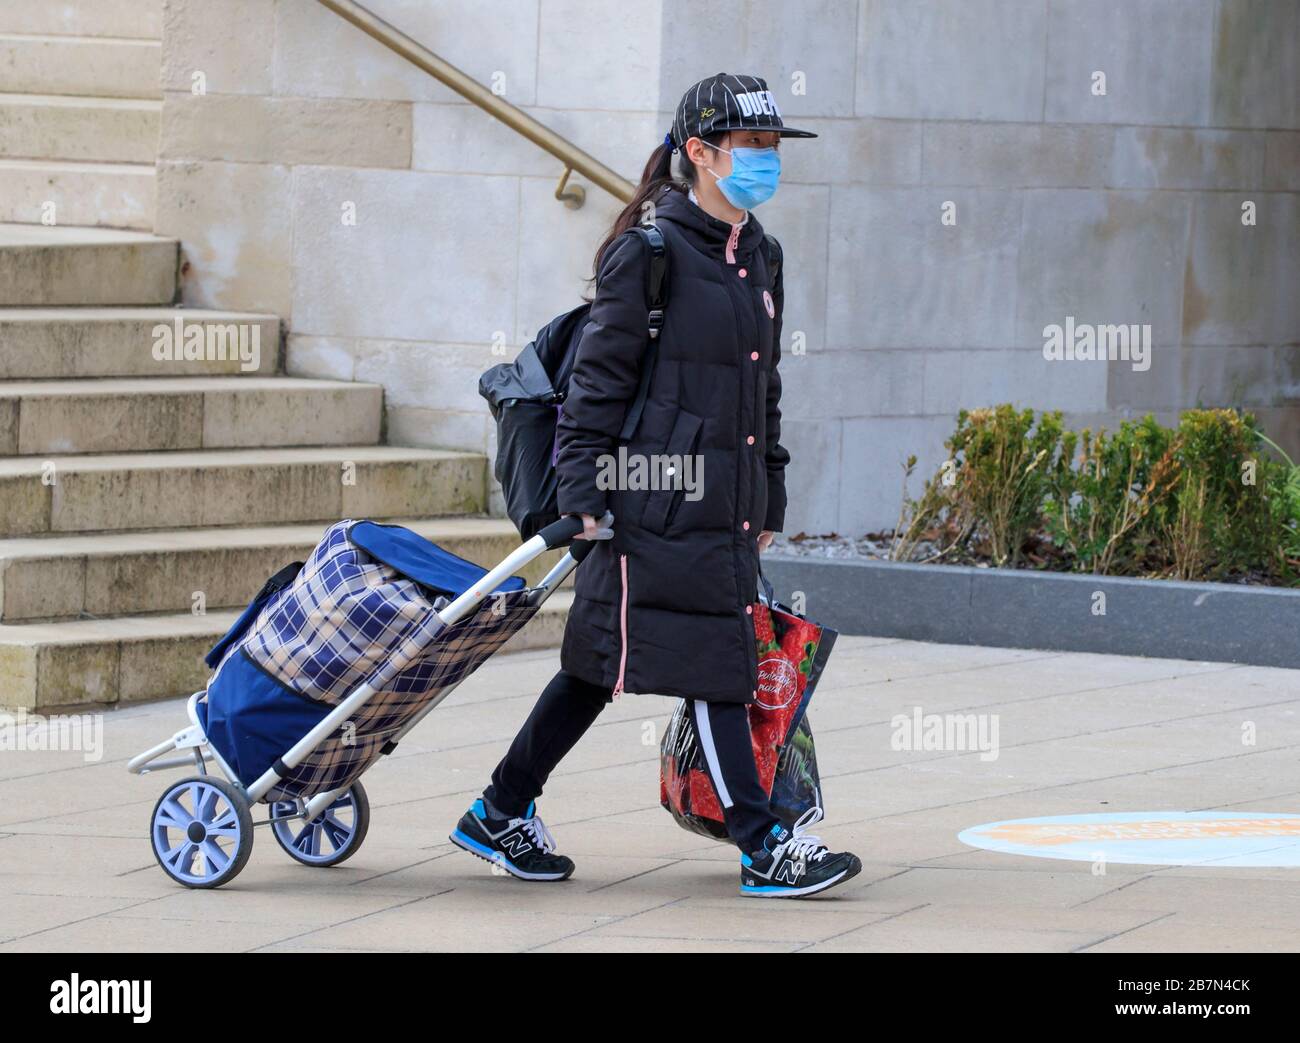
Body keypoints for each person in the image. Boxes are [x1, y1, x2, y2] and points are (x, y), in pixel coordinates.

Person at [451, 73, 860, 898]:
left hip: (722, 503)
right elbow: (598, 384)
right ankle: (762, 843)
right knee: (715, 662)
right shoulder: (649, 252)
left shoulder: (761, 255)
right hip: (646, 501)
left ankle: (497, 809)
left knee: (597, 665)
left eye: (774, 147)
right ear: (701, 154)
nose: (767, 161)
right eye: (752, 147)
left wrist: (768, 496)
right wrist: (583, 495)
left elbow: (763, 387)